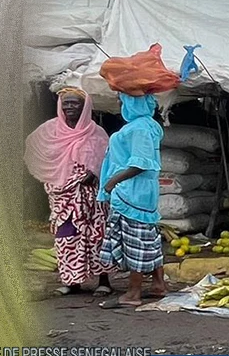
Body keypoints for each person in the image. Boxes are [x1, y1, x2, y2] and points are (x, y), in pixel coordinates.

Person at [24, 87, 115, 297]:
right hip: (63, 196)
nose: (69, 107)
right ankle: (71, 282)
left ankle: (104, 281)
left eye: (75, 103)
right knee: (65, 237)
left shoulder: (96, 133)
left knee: (97, 236)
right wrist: (52, 176)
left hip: (92, 197)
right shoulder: (50, 130)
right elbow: (34, 148)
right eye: (66, 103)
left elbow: (108, 160)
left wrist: (95, 174)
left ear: (85, 107)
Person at [97, 93, 166, 308]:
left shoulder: (140, 129)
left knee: (135, 242)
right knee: (148, 239)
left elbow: (140, 163)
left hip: (132, 193)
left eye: (123, 100)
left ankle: (133, 293)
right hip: (140, 192)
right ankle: (158, 284)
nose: (119, 104)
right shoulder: (147, 125)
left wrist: (110, 184)